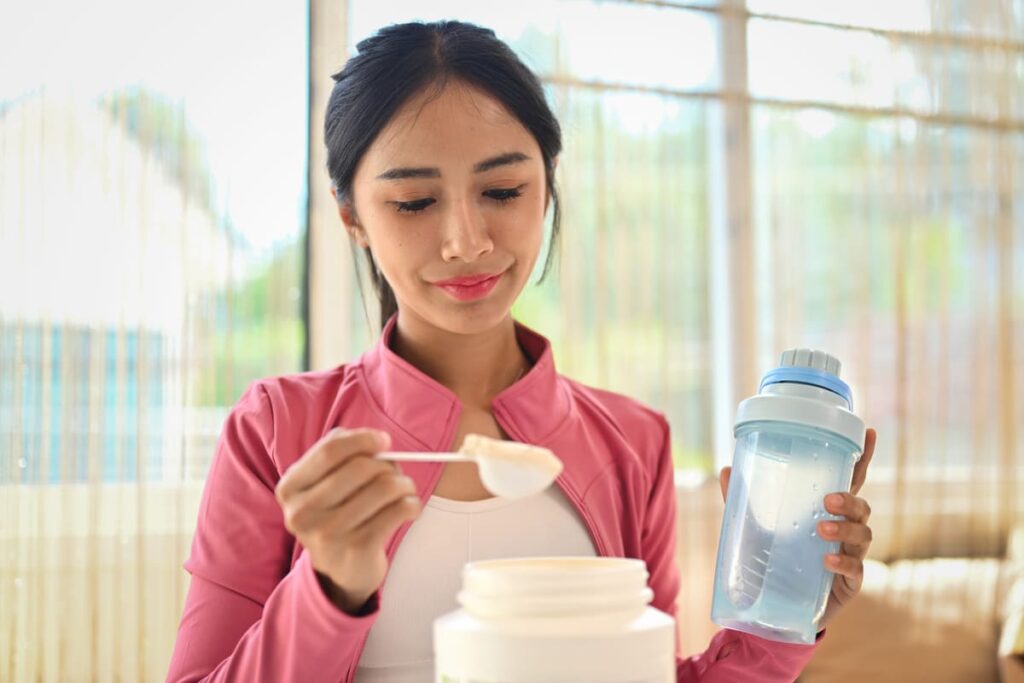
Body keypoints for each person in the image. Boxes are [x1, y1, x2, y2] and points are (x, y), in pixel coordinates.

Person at [165, 20, 877, 683]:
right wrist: (328, 588)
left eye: (503, 189)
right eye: (414, 202)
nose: (467, 240)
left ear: (548, 185)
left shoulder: (633, 442)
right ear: (351, 216)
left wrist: (784, 615)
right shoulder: (276, 429)